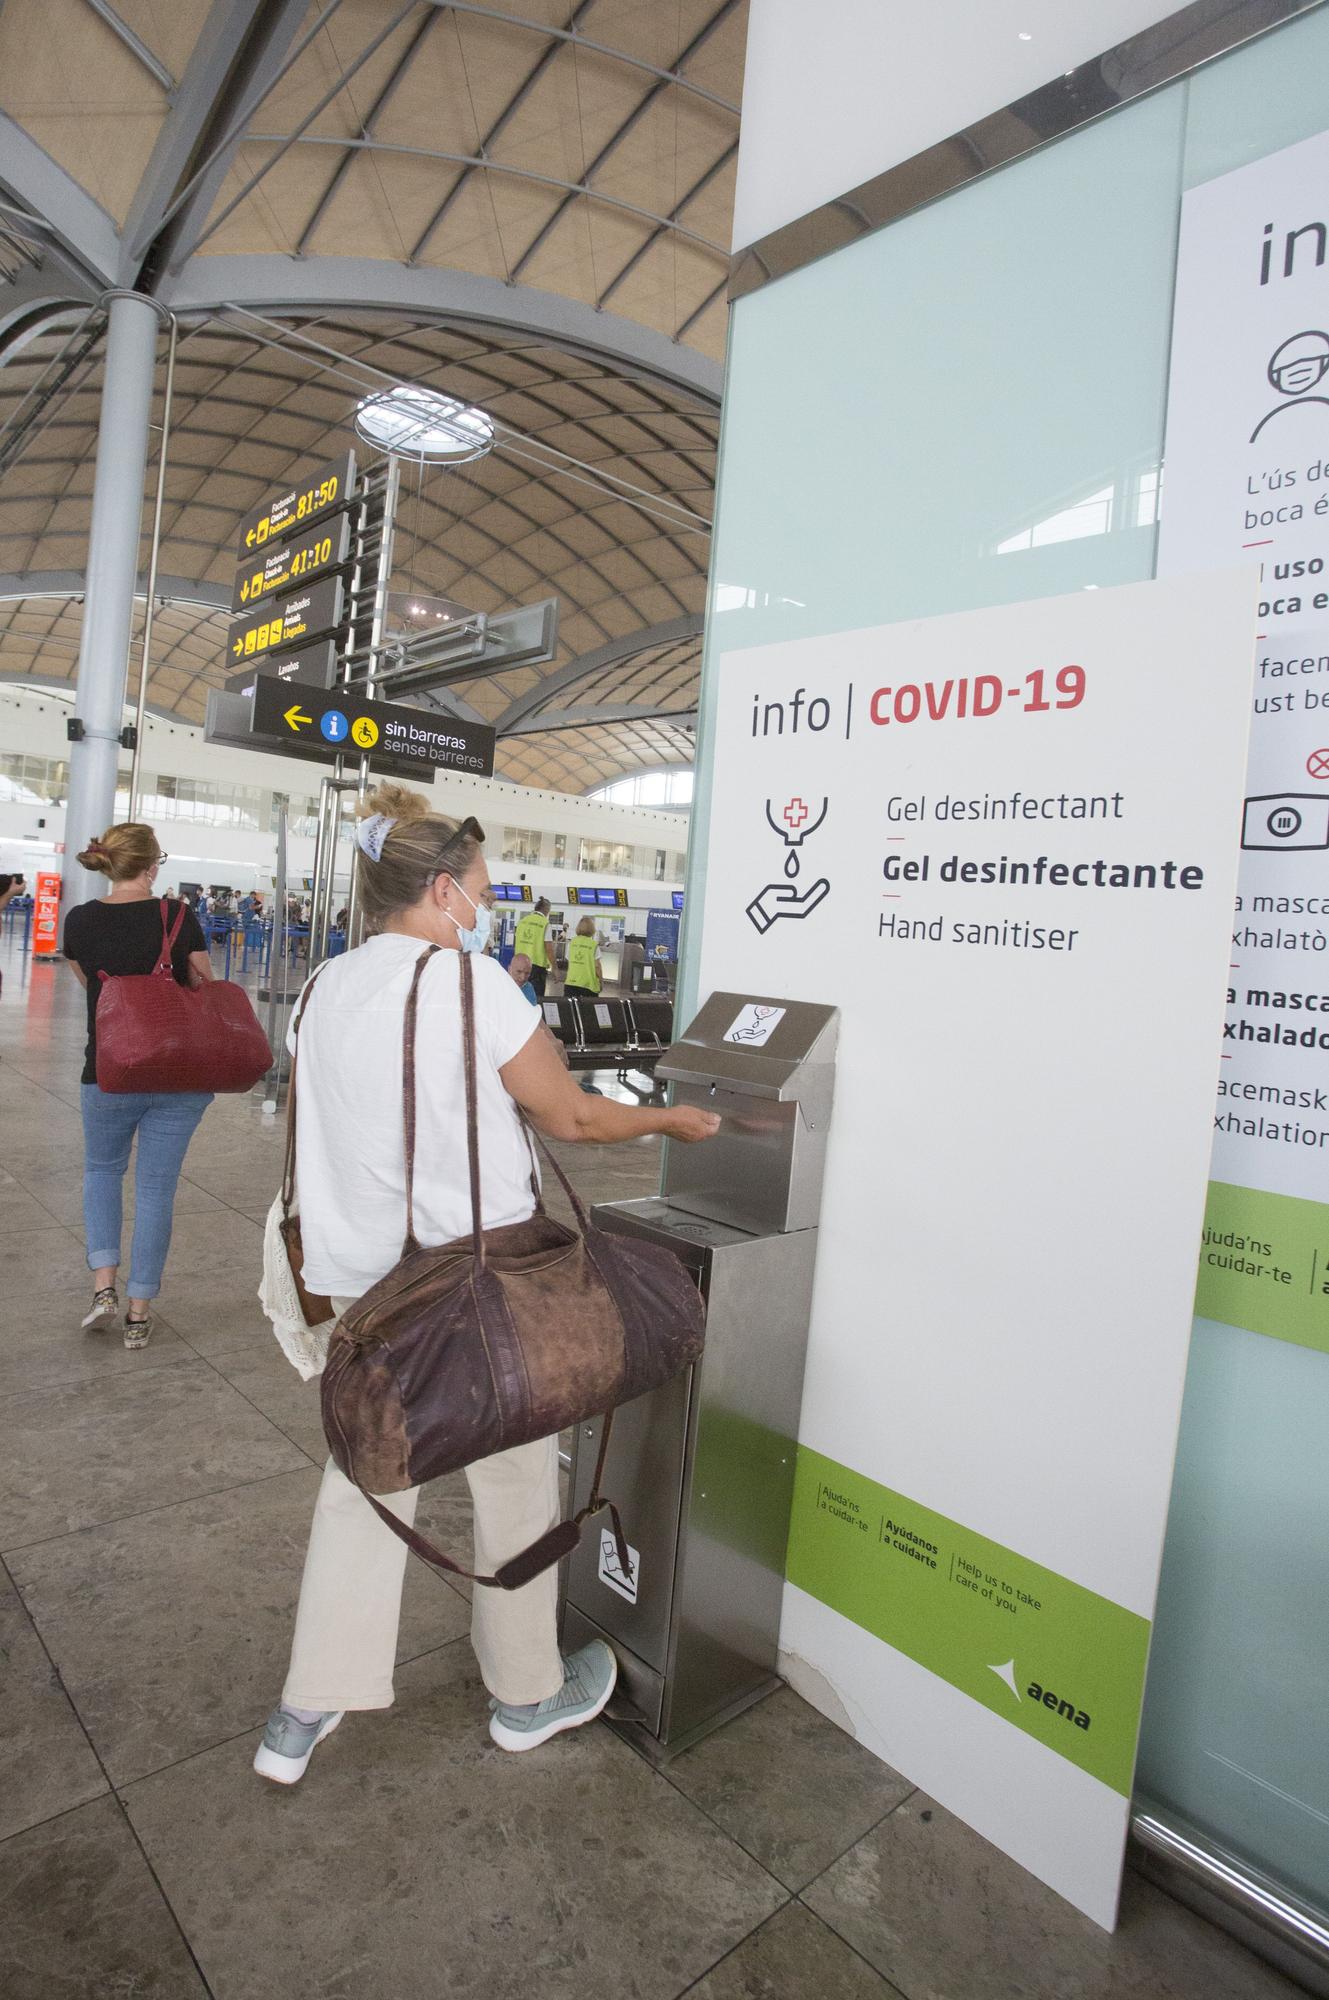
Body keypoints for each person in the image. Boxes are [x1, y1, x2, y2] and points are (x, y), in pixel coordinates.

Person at [255, 784, 719, 1785]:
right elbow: (577, 1120)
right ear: (441, 890)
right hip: (473, 1285)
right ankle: (524, 1693)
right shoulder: (472, 987)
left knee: (369, 1471)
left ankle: (304, 1708)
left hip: (365, 1292)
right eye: (482, 886)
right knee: (514, 1473)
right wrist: (675, 1123)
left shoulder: (325, 984)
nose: (489, 900)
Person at [62, 824, 214, 1349]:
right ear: (152, 866)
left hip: (107, 1070)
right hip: (176, 1075)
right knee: (156, 1190)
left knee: (101, 1171)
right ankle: (138, 1313)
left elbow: (95, 989)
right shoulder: (177, 915)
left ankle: (102, 1287)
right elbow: (202, 985)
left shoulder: (79, 920)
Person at [513, 896, 553, 999]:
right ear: (547, 910)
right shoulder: (545, 924)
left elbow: (516, 941)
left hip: (519, 964)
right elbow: (548, 948)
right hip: (536, 967)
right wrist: (555, 968)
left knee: (518, 994)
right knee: (536, 997)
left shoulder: (522, 921)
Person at [563, 916, 603, 999]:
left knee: (570, 1009)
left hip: (571, 982)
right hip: (588, 985)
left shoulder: (571, 943)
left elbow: (569, 961)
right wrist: (601, 981)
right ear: (592, 929)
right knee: (587, 1010)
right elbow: (597, 966)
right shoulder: (594, 945)